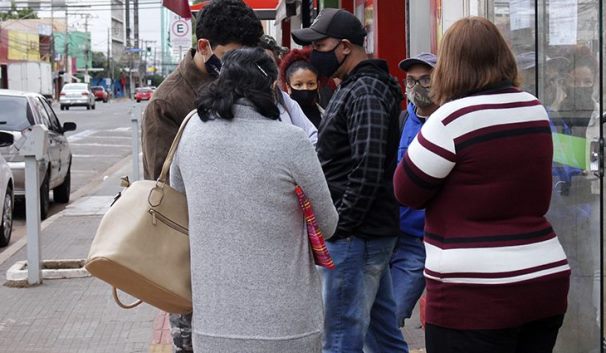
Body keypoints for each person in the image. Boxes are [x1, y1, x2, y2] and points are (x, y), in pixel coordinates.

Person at [393, 17, 570, 353]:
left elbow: (406, 190)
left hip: (474, 293)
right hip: (544, 279)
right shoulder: (532, 108)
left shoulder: (450, 119)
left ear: (450, 65)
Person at [169, 47, 338, 353]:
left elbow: (179, 199)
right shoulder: (291, 140)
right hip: (288, 327)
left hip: (212, 326)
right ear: (273, 85)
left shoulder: (192, 131)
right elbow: (328, 225)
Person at [140, 1, 263, 352]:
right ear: (205, 47)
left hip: (249, 253)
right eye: (232, 55)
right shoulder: (168, 102)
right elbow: (162, 190)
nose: (240, 65)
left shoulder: (251, 86)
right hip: (196, 263)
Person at [292, 8, 407, 353]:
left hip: (357, 236)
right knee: (382, 334)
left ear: (344, 46)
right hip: (364, 233)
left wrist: (340, 225)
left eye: (320, 45)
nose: (314, 54)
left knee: (341, 336)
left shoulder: (365, 91)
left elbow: (367, 169)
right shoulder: (353, 87)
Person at [392, 52, 438, 327]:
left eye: (426, 80)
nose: (417, 87)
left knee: (391, 314)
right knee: (374, 319)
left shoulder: (450, 122)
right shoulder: (399, 121)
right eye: (411, 80)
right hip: (390, 237)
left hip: (422, 242)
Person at [279, 48, 323, 127]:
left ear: (318, 85)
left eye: (311, 84)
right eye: (298, 85)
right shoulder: (280, 117)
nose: (305, 88)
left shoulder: (326, 116)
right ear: (288, 87)